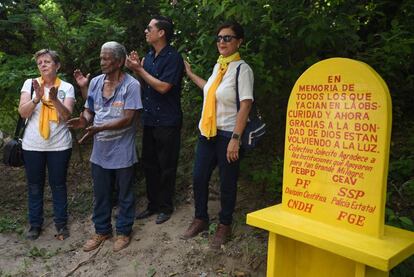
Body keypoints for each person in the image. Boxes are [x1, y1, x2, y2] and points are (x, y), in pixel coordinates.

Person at [182, 22, 254, 249]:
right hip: (208, 133)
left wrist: (235, 138)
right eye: (219, 38)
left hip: (227, 135)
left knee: (227, 182)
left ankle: (224, 224)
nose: (222, 42)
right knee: (199, 177)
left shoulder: (243, 69)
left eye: (228, 38)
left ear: (239, 41)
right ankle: (201, 218)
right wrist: (191, 74)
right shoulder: (219, 67)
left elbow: (245, 105)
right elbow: (210, 90)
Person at [68, 41, 142, 252]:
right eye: (101, 58)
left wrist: (98, 128)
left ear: (119, 61)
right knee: (101, 193)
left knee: (125, 193)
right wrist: (82, 121)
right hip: (100, 150)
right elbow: (90, 110)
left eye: (106, 58)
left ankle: (124, 231)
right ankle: (102, 230)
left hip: (122, 148)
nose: (102, 62)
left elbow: (128, 119)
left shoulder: (131, 85)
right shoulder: (96, 83)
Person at [126, 16, 184, 224]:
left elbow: (163, 87)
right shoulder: (149, 57)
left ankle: (166, 207)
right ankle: (153, 205)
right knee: (149, 164)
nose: (145, 31)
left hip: (168, 120)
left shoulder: (174, 58)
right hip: (150, 119)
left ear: (161, 33)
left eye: (149, 28)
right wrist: (137, 69)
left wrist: (140, 70)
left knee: (166, 164)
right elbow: (147, 88)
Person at [18, 49, 75, 240]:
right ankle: (35, 224)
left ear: (57, 65)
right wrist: (37, 98)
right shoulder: (30, 84)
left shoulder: (66, 87)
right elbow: (23, 113)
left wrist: (54, 99)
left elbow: (66, 116)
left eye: (47, 61)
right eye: (39, 62)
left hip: (59, 146)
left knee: (58, 185)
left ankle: (61, 224)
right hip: (32, 145)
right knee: (34, 186)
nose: (42, 64)